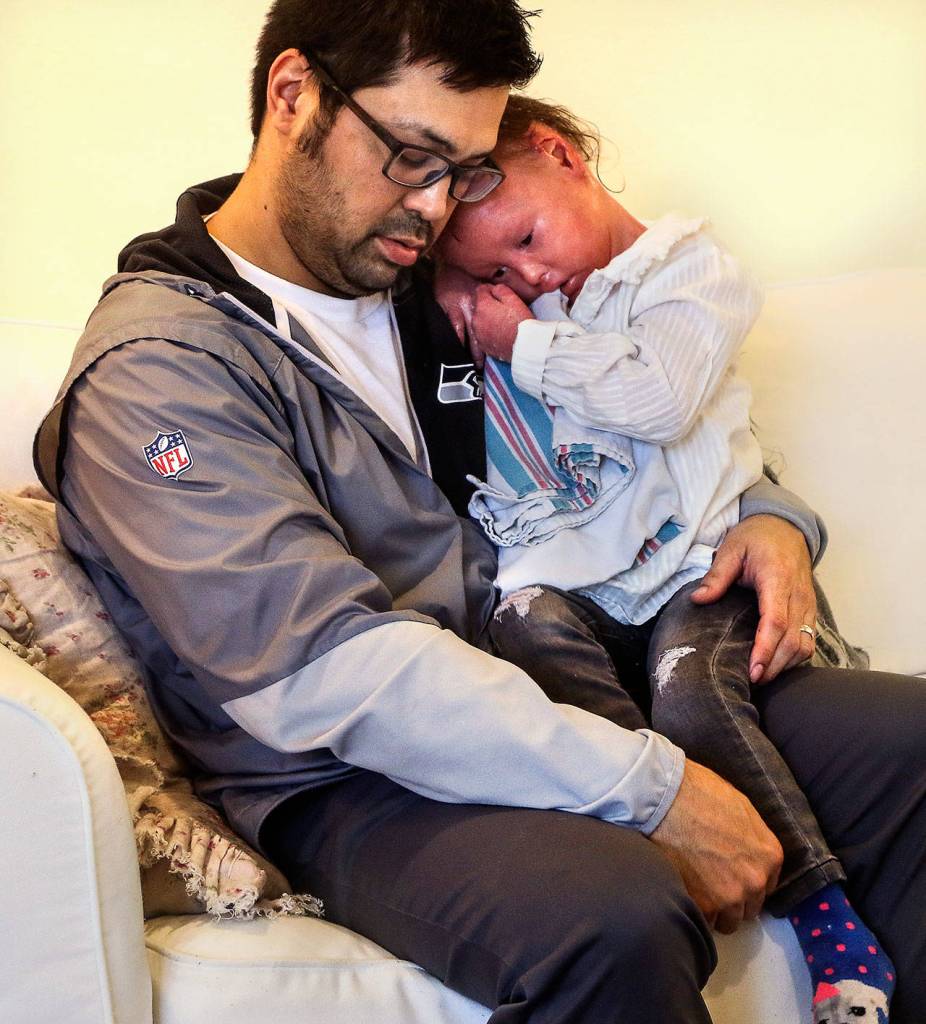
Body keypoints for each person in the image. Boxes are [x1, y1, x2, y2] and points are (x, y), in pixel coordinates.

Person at [32, 2, 926, 1021]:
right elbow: (329, 676)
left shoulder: (447, 276)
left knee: (910, 745)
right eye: (414, 157)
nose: (433, 210)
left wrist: (770, 516)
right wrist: (653, 787)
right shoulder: (158, 373)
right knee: (608, 914)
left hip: (587, 666)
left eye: (461, 170)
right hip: (348, 775)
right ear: (293, 96)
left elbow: (653, 426)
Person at [433, 94, 895, 1021]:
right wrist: (456, 300)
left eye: (524, 237)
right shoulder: (529, 303)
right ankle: (651, 849)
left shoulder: (690, 269)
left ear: (562, 155)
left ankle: (830, 922)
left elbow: (658, 400)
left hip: (698, 565)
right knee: (524, 625)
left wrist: (516, 338)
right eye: (497, 268)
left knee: (690, 688)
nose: (527, 274)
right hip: (585, 583)